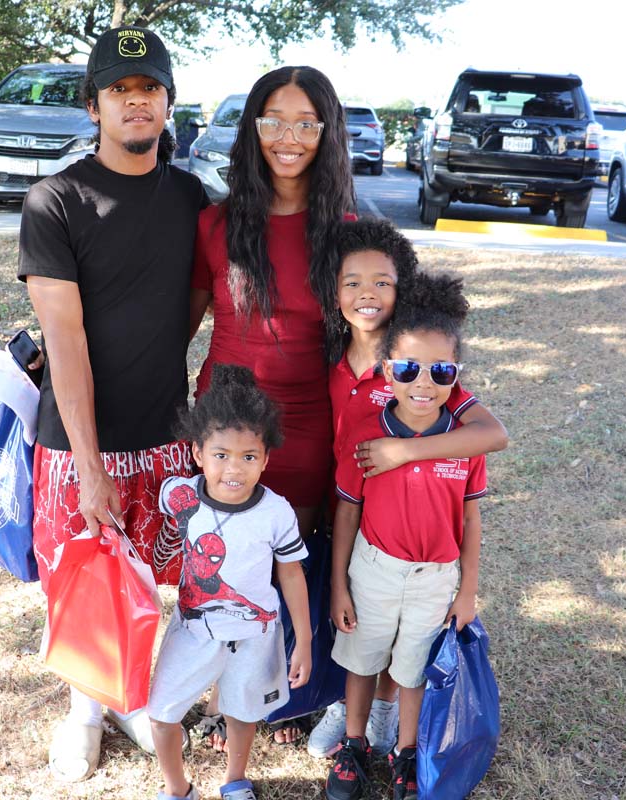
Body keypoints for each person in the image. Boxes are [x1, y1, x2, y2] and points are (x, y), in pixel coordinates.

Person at [17, 25, 207, 783]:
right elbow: (63, 341)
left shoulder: (192, 197)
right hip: (77, 440)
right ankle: (84, 714)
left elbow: (196, 301)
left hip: (165, 431)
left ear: (167, 103)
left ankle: (131, 691)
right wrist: (90, 463)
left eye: (150, 89)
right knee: (86, 574)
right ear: (94, 105)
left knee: (150, 577)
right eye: (120, 91)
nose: (137, 102)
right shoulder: (54, 201)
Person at [188, 66, 353, 747]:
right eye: (274, 120)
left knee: (289, 560)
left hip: (307, 423)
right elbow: (179, 326)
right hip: (223, 421)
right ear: (253, 128)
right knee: (223, 560)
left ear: (327, 132)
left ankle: (283, 696)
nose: (289, 137)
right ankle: (226, 693)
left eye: (306, 123)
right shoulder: (215, 223)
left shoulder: (346, 231)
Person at [306, 218, 509, 758]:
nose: (367, 294)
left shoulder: (424, 375)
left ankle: (386, 711)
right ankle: (338, 708)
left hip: (403, 525)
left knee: (404, 638)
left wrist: (403, 450)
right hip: (345, 509)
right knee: (353, 620)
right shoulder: (327, 357)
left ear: (403, 290)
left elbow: (492, 434)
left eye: (383, 282)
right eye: (352, 282)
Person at [325, 272, 488, 800]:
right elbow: (347, 512)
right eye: (409, 368)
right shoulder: (367, 432)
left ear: (456, 376)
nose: (424, 383)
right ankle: (353, 745)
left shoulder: (463, 440)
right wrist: (339, 586)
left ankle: (406, 750)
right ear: (386, 371)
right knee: (361, 660)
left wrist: (466, 591)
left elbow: (470, 519)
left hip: (435, 579)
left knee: (414, 667)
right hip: (372, 569)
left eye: (440, 371)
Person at [148, 364, 312, 800]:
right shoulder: (180, 496)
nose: (234, 469)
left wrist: (306, 641)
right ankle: (177, 788)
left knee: (243, 713)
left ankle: (234, 780)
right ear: (198, 452)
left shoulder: (276, 512)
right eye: (221, 455)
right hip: (192, 630)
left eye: (248, 457)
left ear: (266, 458)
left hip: (254, 635)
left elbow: (291, 573)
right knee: (161, 714)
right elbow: (158, 533)